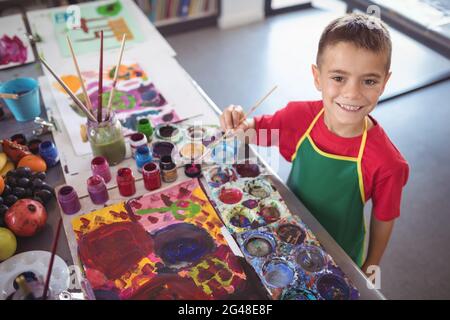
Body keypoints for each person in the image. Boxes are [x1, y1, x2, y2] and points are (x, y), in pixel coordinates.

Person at [220, 13, 409, 273]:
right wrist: (238, 120)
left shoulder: (389, 162)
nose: (352, 93)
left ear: (384, 83)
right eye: (339, 78)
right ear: (317, 77)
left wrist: (372, 263)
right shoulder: (299, 117)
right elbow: (254, 132)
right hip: (286, 230)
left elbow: (384, 216)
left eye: (369, 81)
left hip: (338, 253)